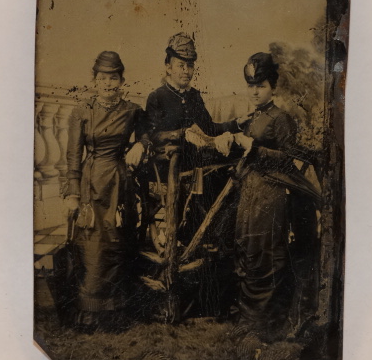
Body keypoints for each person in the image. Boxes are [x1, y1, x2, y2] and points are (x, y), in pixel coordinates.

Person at [228, 52, 321, 357]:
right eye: (250, 85)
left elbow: (293, 161)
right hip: (251, 193)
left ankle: (263, 326)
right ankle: (247, 320)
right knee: (247, 250)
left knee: (266, 256)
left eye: (261, 84)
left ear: (273, 87)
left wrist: (254, 148)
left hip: (273, 196)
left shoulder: (282, 119)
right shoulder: (253, 116)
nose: (254, 90)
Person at [63, 51, 147, 331]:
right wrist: (72, 194)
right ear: (94, 80)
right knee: (92, 247)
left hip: (119, 185)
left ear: (122, 80)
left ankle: (114, 315)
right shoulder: (82, 111)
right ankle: (90, 315)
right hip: (90, 185)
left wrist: (140, 145)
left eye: (113, 78)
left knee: (116, 244)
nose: (108, 84)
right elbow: (74, 157)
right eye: (102, 78)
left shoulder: (132, 111)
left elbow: (148, 132)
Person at [144, 33, 242, 169]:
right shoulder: (157, 97)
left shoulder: (194, 95)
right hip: (167, 163)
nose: (186, 71)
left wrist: (237, 124)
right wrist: (182, 133)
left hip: (195, 159)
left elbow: (209, 128)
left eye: (190, 66)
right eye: (181, 65)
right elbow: (151, 136)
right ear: (168, 68)